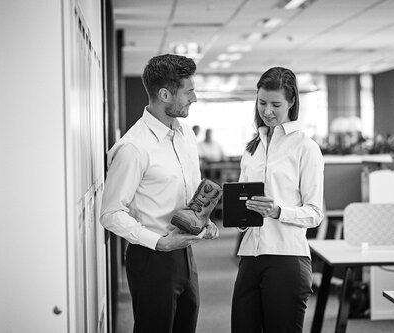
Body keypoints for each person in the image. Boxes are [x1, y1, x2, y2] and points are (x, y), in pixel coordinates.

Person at [100, 54, 219, 333]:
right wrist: (159, 243)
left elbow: (192, 188)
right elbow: (110, 214)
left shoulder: (186, 135)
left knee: (185, 326)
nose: (195, 98)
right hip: (151, 258)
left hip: (186, 253)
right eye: (189, 92)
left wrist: (204, 219)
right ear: (165, 94)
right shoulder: (133, 148)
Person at [231, 67, 325, 333]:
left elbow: (315, 213)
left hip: (287, 258)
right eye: (262, 103)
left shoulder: (306, 148)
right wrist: (235, 214)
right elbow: (243, 202)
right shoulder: (252, 147)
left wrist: (277, 211)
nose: (267, 111)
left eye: (276, 104)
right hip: (250, 255)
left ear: (292, 102)